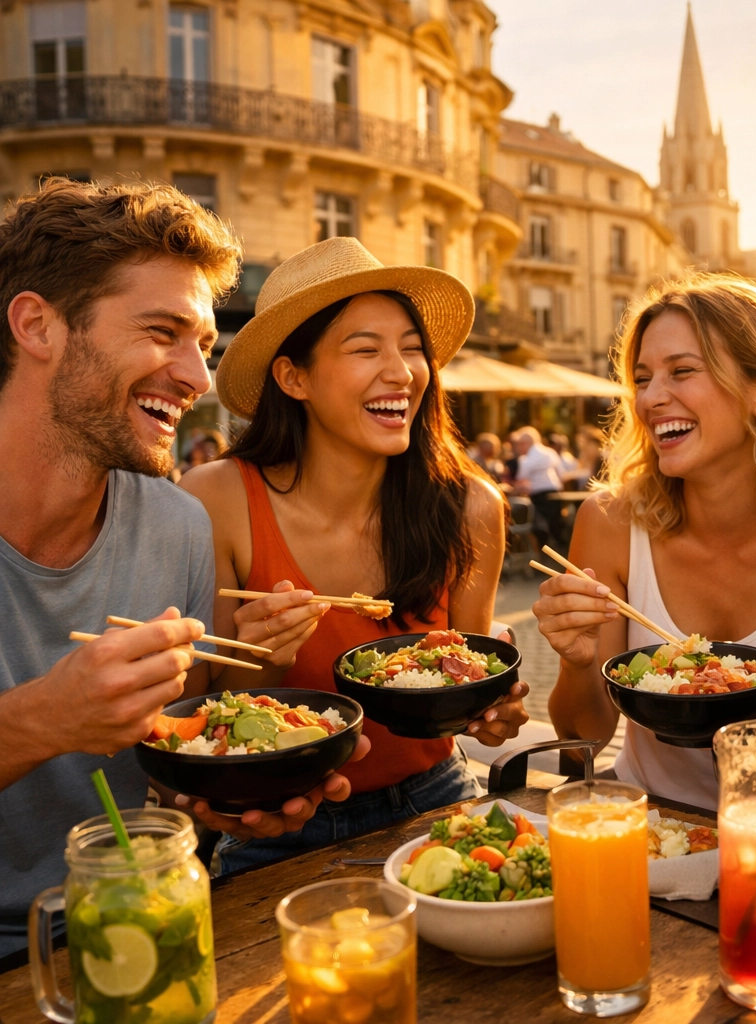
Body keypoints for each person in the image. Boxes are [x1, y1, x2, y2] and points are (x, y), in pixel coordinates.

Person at [0, 180, 367, 961]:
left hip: (149, 918)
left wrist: (235, 793)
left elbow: (170, 771)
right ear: (37, 325)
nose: (199, 380)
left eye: (202, 344)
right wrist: (37, 722)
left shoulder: (176, 524)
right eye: (164, 332)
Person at [181, 236, 529, 873]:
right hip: (277, 824)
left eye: (412, 348)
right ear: (294, 376)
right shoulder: (216, 498)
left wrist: (490, 712)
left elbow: (465, 685)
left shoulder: (472, 506)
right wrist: (264, 656)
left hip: (438, 799)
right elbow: (201, 720)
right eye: (365, 348)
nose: (401, 371)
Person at [533, 277, 756, 809]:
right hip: (653, 826)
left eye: (682, 371)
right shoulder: (609, 522)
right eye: (642, 378)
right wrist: (579, 662)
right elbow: (585, 740)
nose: (651, 398)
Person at [511, 425, 564, 547]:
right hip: (555, 491)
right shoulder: (550, 452)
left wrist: (513, 489)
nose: (519, 447)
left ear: (526, 443)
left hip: (539, 495)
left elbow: (521, 480)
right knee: (556, 524)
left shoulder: (525, 459)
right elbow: (560, 473)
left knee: (540, 525)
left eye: (520, 444)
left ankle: (543, 551)